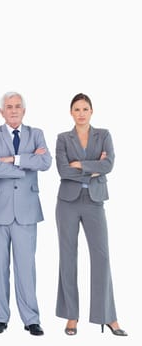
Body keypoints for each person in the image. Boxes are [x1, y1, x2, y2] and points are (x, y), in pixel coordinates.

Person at [55, 93, 127, 336]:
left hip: (95, 201)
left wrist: (81, 164)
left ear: (92, 111)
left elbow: (109, 165)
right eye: (77, 109)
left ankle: (107, 317)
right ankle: (71, 316)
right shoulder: (63, 138)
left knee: (102, 256)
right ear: (71, 112)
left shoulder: (104, 135)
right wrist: (93, 167)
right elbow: (63, 171)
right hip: (68, 202)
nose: (81, 113)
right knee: (68, 257)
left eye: (85, 108)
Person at [0, 91, 52, 336]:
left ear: (24, 110)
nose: (13, 110)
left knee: (26, 268)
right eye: (9, 107)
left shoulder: (37, 134)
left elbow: (46, 163)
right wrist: (26, 163)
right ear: (2, 111)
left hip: (27, 210)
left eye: (18, 106)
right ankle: (0, 318)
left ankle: (31, 319)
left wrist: (12, 159)